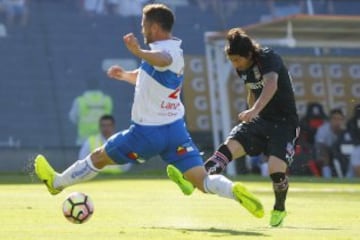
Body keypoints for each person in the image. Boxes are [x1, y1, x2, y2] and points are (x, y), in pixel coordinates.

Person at [34, 3, 264, 219]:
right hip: (175, 132)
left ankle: (56, 183)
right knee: (202, 181)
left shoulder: (166, 53)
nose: (141, 28)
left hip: (146, 133)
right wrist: (125, 75)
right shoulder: (172, 49)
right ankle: (233, 190)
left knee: (98, 157)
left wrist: (138, 51)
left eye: (143, 24)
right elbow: (151, 77)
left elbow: (162, 61)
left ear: (154, 27)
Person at [167, 27, 299, 227]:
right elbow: (252, 90)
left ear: (249, 54)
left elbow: (270, 85)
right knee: (227, 148)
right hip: (260, 120)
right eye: (232, 61)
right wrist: (250, 113)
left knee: (275, 171)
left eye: (237, 60)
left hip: (284, 123)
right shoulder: (242, 67)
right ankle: (192, 181)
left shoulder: (268, 57)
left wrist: (253, 110)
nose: (234, 64)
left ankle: (279, 209)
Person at [69, 81, 113, 145]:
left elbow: (72, 117)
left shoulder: (80, 101)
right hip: (103, 138)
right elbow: (110, 118)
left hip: (84, 138)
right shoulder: (106, 100)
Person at [314, 108, 345, 178]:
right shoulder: (322, 129)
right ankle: (327, 177)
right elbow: (319, 145)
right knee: (324, 152)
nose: (337, 121)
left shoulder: (345, 130)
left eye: (339, 119)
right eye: (334, 119)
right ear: (330, 120)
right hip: (326, 151)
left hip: (340, 152)